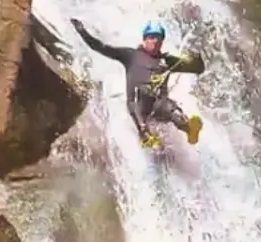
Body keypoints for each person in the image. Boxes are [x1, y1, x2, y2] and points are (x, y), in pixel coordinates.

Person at [73, 17, 204, 148]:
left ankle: (189, 128)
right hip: (138, 105)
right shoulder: (130, 55)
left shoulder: (167, 61)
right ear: (145, 39)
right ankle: (145, 135)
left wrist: (197, 59)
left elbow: (197, 69)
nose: (155, 41)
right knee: (138, 95)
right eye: (152, 37)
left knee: (169, 106)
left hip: (158, 105)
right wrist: (82, 31)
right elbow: (101, 47)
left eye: (159, 38)